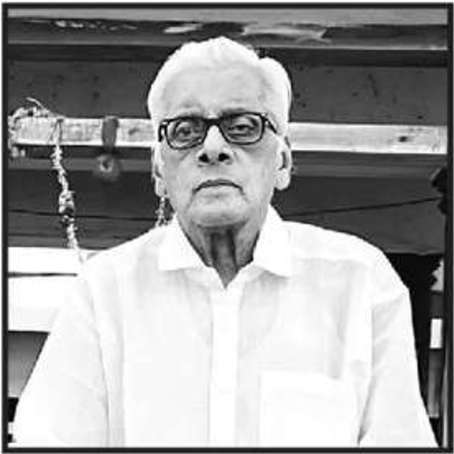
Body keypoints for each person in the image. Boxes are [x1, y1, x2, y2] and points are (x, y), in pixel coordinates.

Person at [13, 36, 437, 447]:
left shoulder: (361, 285)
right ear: (159, 171)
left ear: (283, 161)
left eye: (243, 127)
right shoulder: (105, 292)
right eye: (185, 130)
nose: (213, 148)